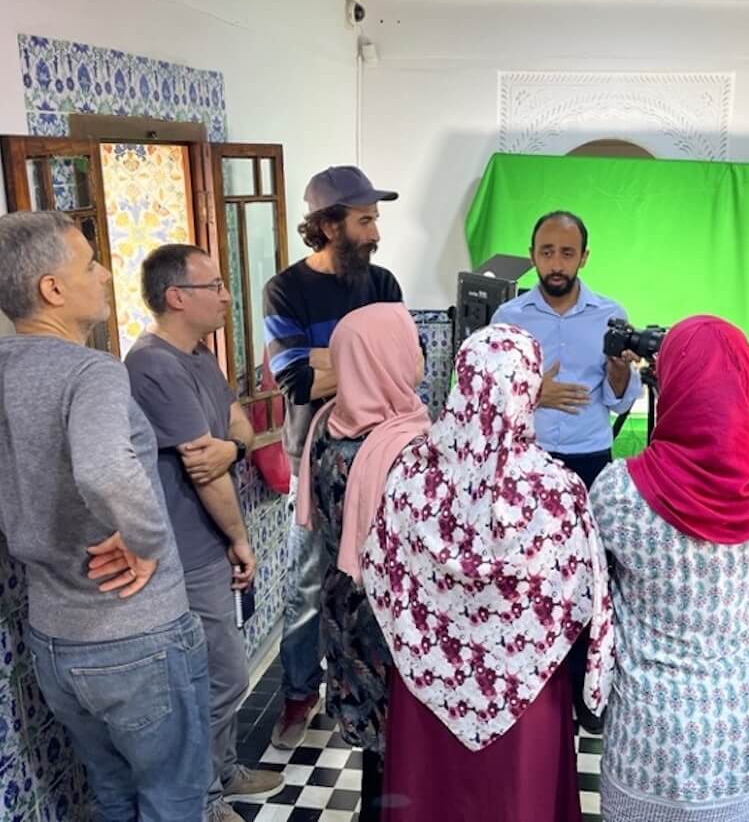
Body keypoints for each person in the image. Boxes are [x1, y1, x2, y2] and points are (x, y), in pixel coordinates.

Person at [0, 211, 209, 820]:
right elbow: (103, 470)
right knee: (173, 797)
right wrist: (145, 542)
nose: (104, 272)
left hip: (53, 642)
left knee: (112, 795)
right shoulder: (91, 372)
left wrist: (51, 551)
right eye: (90, 262)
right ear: (53, 290)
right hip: (136, 634)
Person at [361, 324, 615, 822]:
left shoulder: (410, 475)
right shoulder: (557, 491)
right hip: (527, 693)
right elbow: (583, 595)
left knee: (429, 797)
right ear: (527, 391)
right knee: (519, 800)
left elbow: (380, 574)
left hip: (426, 688)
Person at [588, 315, 749, 822]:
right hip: (747, 729)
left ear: (672, 381)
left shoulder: (620, 493)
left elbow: (590, 587)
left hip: (653, 737)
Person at [125, 244, 284, 820]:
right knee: (215, 679)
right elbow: (204, 468)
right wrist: (241, 541)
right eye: (212, 286)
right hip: (186, 552)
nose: (225, 295)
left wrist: (235, 444)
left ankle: (221, 772)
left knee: (222, 673)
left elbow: (236, 420)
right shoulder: (152, 365)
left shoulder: (196, 354)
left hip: (208, 545)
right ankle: (205, 797)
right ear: (176, 297)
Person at [262, 165, 405, 748]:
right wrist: (357, 362)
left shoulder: (384, 282)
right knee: (308, 586)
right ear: (328, 224)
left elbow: (397, 366)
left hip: (384, 452)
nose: (375, 232)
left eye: (375, 219)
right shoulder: (285, 290)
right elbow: (295, 380)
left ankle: (377, 691)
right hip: (316, 460)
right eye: (365, 219)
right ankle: (299, 695)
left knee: (380, 580)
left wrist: (332, 359)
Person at [491, 209, 639, 732]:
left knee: (585, 577)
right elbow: (488, 397)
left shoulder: (610, 314)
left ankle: (585, 692)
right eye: (547, 252)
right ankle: (526, 690)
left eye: (567, 253)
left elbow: (622, 400)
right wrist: (536, 392)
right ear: (533, 256)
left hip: (587, 463)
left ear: (584, 257)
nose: (556, 264)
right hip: (525, 464)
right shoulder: (507, 318)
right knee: (525, 576)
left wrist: (621, 375)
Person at [287, 302, 430, 821]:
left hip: (342, 605)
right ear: (384, 357)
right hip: (387, 623)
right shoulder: (403, 450)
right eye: (410, 344)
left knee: (377, 750)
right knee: (403, 747)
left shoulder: (333, 421)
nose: (418, 354)